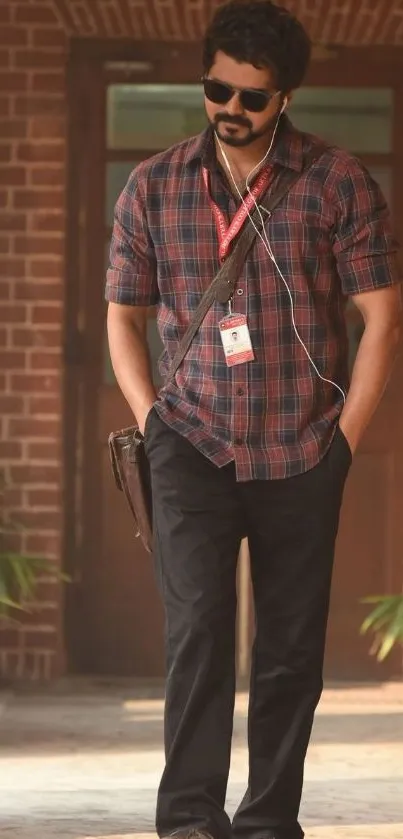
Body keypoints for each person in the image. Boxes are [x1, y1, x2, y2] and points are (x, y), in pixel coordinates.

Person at [105, 2, 402, 838]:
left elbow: (382, 316)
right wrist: (150, 418)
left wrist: (343, 444)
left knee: (288, 649)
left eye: (252, 97)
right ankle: (190, 819)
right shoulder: (153, 185)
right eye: (217, 89)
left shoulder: (336, 181)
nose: (230, 109)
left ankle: (269, 817)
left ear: (286, 97)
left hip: (301, 446)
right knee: (196, 633)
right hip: (189, 442)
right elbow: (122, 316)